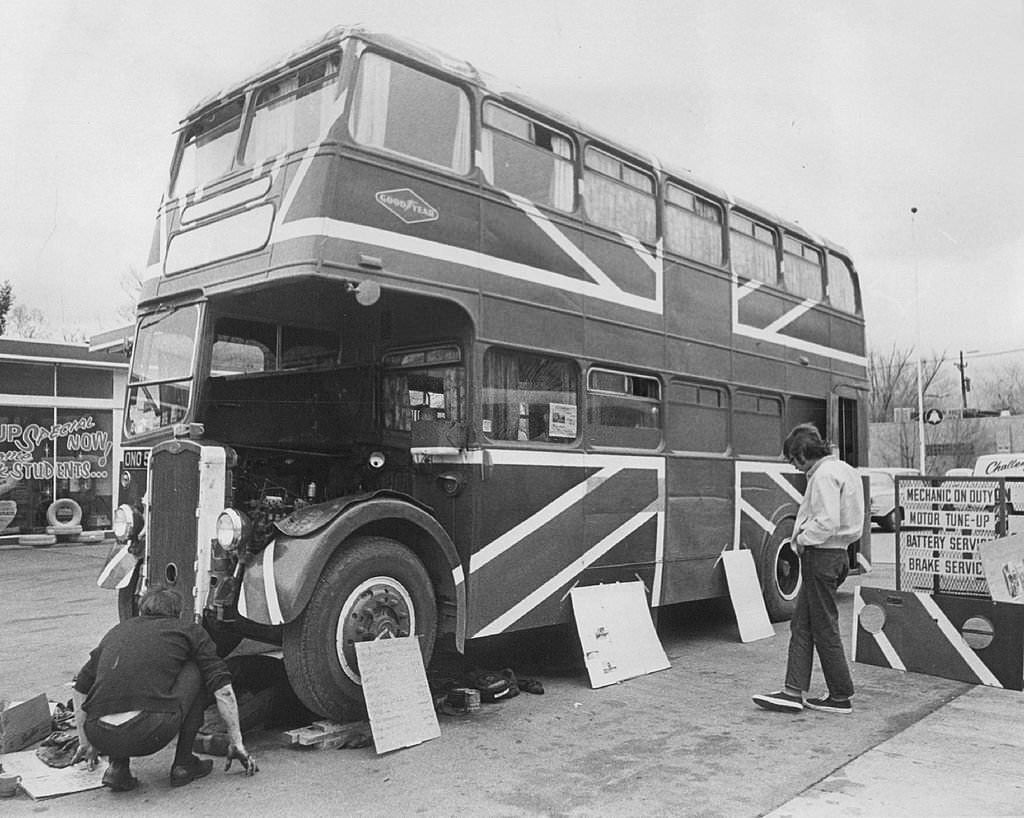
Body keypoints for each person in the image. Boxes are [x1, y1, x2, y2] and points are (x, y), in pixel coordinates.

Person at [71, 585, 259, 791]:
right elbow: (221, 687)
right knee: (198, 668)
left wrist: (85, 741)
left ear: (142, 609)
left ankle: (118, 768)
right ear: (178, 612)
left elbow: (80, 687)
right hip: (149, 732)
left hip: (99, 734)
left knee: (122, 678)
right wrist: (236, 740)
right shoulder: (189, 631)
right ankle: (183, 764)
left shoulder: (117, 631)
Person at [752, 423, 865, 715]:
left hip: (821, 555)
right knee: (801, 624)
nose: (793, 465)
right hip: (839, 554)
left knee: (824, 626)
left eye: (793, 458)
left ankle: (840, 695)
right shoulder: (845, 470)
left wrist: (801, 539)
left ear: (803, 452)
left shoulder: (823, 476)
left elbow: (826, 520)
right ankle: (792, 691)